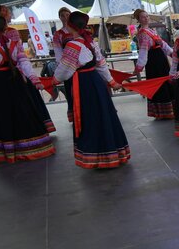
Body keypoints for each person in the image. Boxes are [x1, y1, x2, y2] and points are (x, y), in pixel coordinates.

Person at [0, 15, 56, 164]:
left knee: (3, 114)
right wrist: (34, 79)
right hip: (15, 80)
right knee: (22, 111)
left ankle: (10, 151)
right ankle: (31, 147)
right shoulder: (15, 44)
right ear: (5, 28)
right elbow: (25, 64)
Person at [54, 11, 130, 169]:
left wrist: (51, 81)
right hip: (96, 81)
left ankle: (98, 156)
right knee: (103, 115)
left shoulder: (73, 45)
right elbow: (101, 64)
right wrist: (111, 81)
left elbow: (63, 71)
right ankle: (113, 152)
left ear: (69, 26)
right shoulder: (90, 42)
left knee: (90, 118)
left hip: (83, 85)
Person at [0, 3, 55, 134]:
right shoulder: (11, 32)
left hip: (1, 75)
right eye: (8, 12)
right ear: (3, 15)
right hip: (15, 72)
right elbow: (19, 56)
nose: (10, 15)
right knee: (25, 102)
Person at [132, 9, 174, 119]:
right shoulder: (142, 33)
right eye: (143, 17)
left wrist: (171, 53)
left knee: (164, 82)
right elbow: (143, 50)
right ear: (139, 20)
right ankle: (163, 112)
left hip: (159, 58)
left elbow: (162, 43)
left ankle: (166, 111)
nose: (146, 18)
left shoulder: (150, 30)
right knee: (159, 84)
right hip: (154, 61)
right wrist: (139, 66)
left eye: (147, 16)